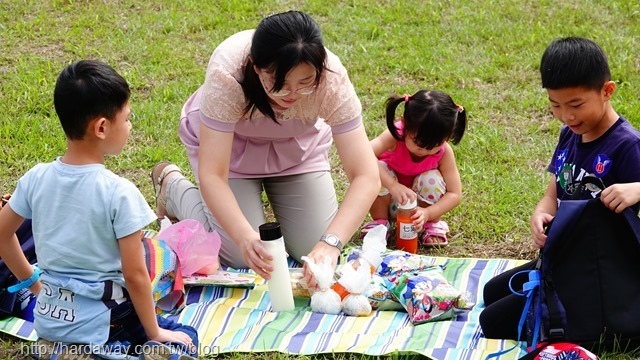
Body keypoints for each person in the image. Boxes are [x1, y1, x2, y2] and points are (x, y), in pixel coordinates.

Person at [151, 10, 380, 283]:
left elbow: (366, 175)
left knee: (314, 248)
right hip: (231, 152)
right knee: (239, 254)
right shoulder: (228, 72)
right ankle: (173, 187)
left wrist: (331, 242)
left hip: (298, 151)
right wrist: (246, 238)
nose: (292, 94)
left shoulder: (332, 78)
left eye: (305, 83)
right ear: (255, 66)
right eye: (279, 84)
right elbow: (214, 174)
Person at [0, 60, 198, 359]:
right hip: (107, 322)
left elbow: (2, 235)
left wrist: (34, 284)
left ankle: (61, 351)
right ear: (102, 127)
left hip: (51, 320)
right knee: (185, 337)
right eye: (128, 118)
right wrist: (155, 332)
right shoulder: (119, 192)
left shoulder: (35, 178)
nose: (130, 126)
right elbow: (135, 276)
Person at [480, 37, 640, 341]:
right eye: (555, 105)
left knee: (491, 322)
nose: (567, 115)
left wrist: (637, 189)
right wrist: (541, 213)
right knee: (491, 292)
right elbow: (553, 193)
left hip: (594, 271)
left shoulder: (627, 145)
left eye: (576, 105)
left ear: (607, 91)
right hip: (561, 255)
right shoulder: (570, 135)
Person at [360, 90, 467, 247]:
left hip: (420, 210)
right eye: (418, 143)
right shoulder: (394, 137)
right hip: (391, 200)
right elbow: (364, 155)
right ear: (404, 124)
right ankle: (381, 224)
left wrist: (428, 213)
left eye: (434, 146)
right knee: (377, 169)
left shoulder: (444, 153)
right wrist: (392, 185)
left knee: (431, 179)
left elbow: (455, 194)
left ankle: (429, 225)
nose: (425, 151)